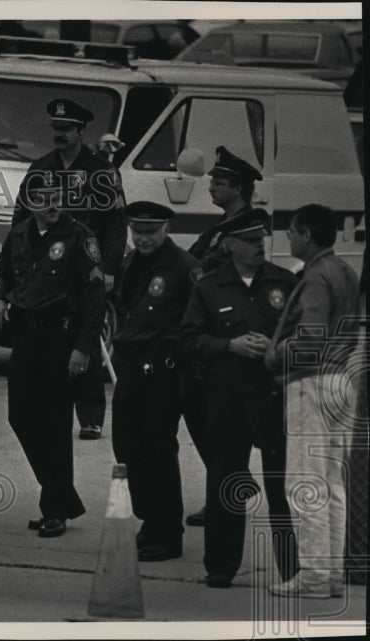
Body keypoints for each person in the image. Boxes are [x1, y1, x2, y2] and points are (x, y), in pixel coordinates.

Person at [179, 208, 298, 589]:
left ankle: (292, 570)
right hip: (227, 399)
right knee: (225, 484)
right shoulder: (209, 288)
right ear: (231, 246)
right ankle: (221, 566)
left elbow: (307, 332)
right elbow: (188, 340)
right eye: (250, 242)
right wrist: (228, 345)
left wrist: (276, 346)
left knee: (281, 488)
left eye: (261, 240)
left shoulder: (284, 282)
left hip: (271, 396)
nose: (259, 247)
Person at [0, 171, 105, 538]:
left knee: (54, 425)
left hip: (62, 337)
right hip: (26, 336)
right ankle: (63, 496)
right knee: (20, 415)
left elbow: (94, 297)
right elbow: (5, 273)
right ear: (29, 203)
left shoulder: (79, 237)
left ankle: (54, 508)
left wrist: (83, 349)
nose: (51, 204)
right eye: (42, 198)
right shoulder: (20, 234)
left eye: (55, 196)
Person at [12, 98, 127, 441]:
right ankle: (48, 407)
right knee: (47, 340)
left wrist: (107, 268)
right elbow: (21, 219)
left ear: (81, 131)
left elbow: (116, 224)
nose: (59, 134)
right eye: (56, 129)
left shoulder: (101, 172)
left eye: (66, 129)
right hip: (47, 270)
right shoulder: (41, 169)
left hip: (85, 268)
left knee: (86, 339)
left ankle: (90, 416)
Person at [265, 204, 361, 599]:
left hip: (313, 382)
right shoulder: (343, 270)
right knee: (333, 485)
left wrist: (276, 353)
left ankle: (315, 575)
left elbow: (310, 339)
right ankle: (330, 572)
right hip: (342, 380)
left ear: (305, 234)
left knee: (306, 482)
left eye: (291, 232)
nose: (289, 238)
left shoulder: (318, 276)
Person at [111, 202, 202, 562]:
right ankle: (151, 521)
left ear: (165, 229)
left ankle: (167, 532)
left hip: (163, 373)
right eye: (137, 231)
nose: (143, 239)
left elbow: (198, 321)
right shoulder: (130, 262)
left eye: (150, 231)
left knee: (157, 451)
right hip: (132, 369)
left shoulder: (185, 268)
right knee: (126, 448)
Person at [182, 145, 263, 528]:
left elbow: (203, 269)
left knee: (223, 421)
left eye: (219, 182)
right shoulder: (218, 227)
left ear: (238, 187)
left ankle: (226, 493)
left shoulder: (246, 228)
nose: (211, 186)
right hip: (209, 333)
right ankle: (231, 484)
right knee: (202, 415)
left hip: (230, 334)